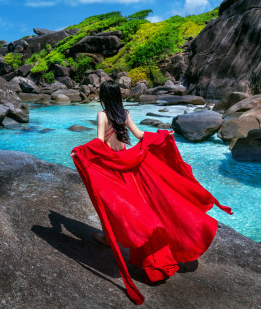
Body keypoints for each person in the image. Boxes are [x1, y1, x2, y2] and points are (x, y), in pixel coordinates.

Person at [71, 80, 231, 305]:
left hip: (113, 167)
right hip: (129, 164)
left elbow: (99, 141)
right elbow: (139, 136)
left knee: (111, 204)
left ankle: (109, 238)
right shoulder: (125, 114)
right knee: (140, 207)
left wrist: (80, 152)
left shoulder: (102, 115)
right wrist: (161, 137)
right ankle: (111, 238)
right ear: (118, 95)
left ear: (103, 97)